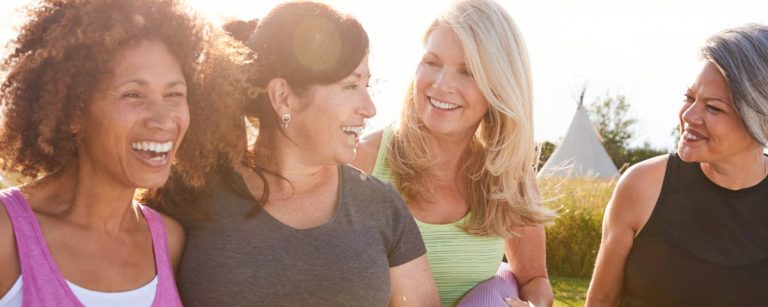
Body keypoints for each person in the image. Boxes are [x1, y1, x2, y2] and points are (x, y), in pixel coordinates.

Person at [148, 2, 440, 306]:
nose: (369, 108)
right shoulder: (191, 193)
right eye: (351, 86)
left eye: (367, 85)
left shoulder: (381, 206)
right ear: (282, 97)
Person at [0, 0, 231, 306]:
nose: (163, 121)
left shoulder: (169, 242)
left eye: (174, 94)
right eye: (133, 94)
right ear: (75, 111)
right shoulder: (7, 233)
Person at [352, 0, 556, 306]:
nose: (441, 85)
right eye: (432, 63)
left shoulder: (509, 177)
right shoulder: (363, 161)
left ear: (499, 87)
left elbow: (534, 280)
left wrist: (531, 306)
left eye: (468, 72)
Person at [586, 24, 768, 306]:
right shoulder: (642, 186)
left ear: (761, 123)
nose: (689, 115)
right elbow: (601, 301)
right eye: (689, 97)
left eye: (714, 108)